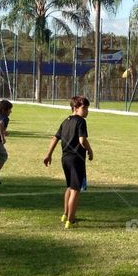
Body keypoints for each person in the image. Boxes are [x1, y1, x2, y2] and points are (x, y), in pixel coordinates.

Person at [43, 96, 93, 229]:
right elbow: (82, 140)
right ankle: (71, 220)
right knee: (76, 190)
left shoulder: (65, 121)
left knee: (70, 187)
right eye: (84, 108)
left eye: (87, 108)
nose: (87, 111)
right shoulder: (80, 121)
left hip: (65, 158)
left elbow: (55, 138)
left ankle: (65, 214)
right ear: (75, 108)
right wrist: (90, 150)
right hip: (76, 159)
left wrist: (48, 154)